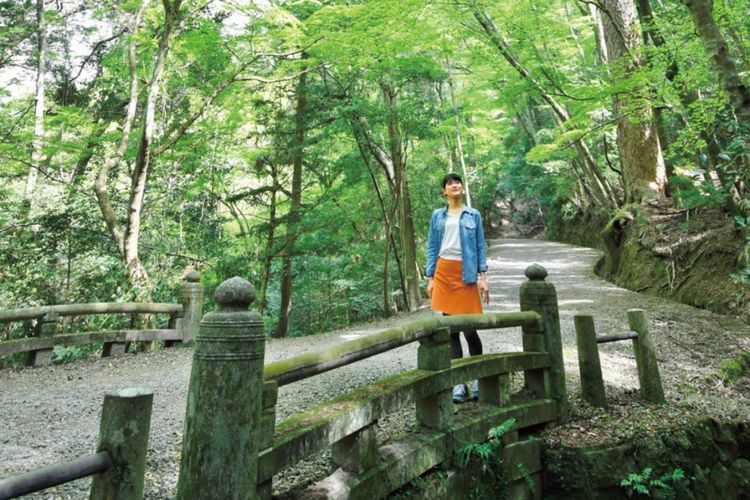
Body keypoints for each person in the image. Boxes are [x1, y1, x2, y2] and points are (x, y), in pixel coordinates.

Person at [425, 173, 490, 403]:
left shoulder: (473, 215)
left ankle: (477, 379)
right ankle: (458, 383)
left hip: (466, 274)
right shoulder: (437, 216)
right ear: (444, 191)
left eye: (457, 182)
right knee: (451, 330)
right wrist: (430, 277)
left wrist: (483, 277)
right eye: (449, 183)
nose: (454, 185)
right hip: (443, 273)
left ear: (462, 188)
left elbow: (480, 245)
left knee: (470, 329)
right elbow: (433, 246)